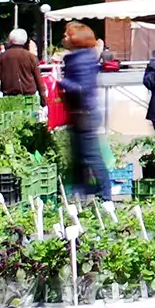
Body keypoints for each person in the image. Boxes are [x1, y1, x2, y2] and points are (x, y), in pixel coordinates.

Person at [57, 23, 111, 200]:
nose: (63, 38)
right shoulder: (80, 58)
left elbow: (82, 88)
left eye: (67, 35)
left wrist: (59, 81)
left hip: (85, 114)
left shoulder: (82, 60)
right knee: (79, 159)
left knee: (91, 157)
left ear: (76, 39)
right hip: (80, 114)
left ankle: (105, 196)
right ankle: (80, 195)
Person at [0, 29, 41, 97]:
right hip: (29, 96)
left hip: (8, 96)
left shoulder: (2, 57)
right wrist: (43, 98)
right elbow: (38, 79)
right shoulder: (31, 57)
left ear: (10, 40)